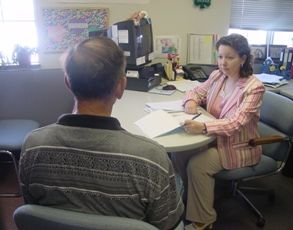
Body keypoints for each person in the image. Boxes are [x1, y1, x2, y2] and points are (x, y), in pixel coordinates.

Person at [19, 37, 184, 230]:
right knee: (178, 182)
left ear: (67, 83)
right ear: (121, 87)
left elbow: (35, 210)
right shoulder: (151, 158)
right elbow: (168, 224)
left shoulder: (33, 146)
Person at [172, 33, 265, 230]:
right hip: (214, 138)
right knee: (180, 153)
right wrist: (190, 101)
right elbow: (197, 91)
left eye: (230, 57)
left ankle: (203, 221)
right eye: (220, 56)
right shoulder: (218, 76)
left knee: (198, 165)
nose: (223, 62)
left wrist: (204, 127)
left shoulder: (254, 88)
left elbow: (235, 123)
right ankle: (191, 200)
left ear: (243, 58)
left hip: (239, 145)